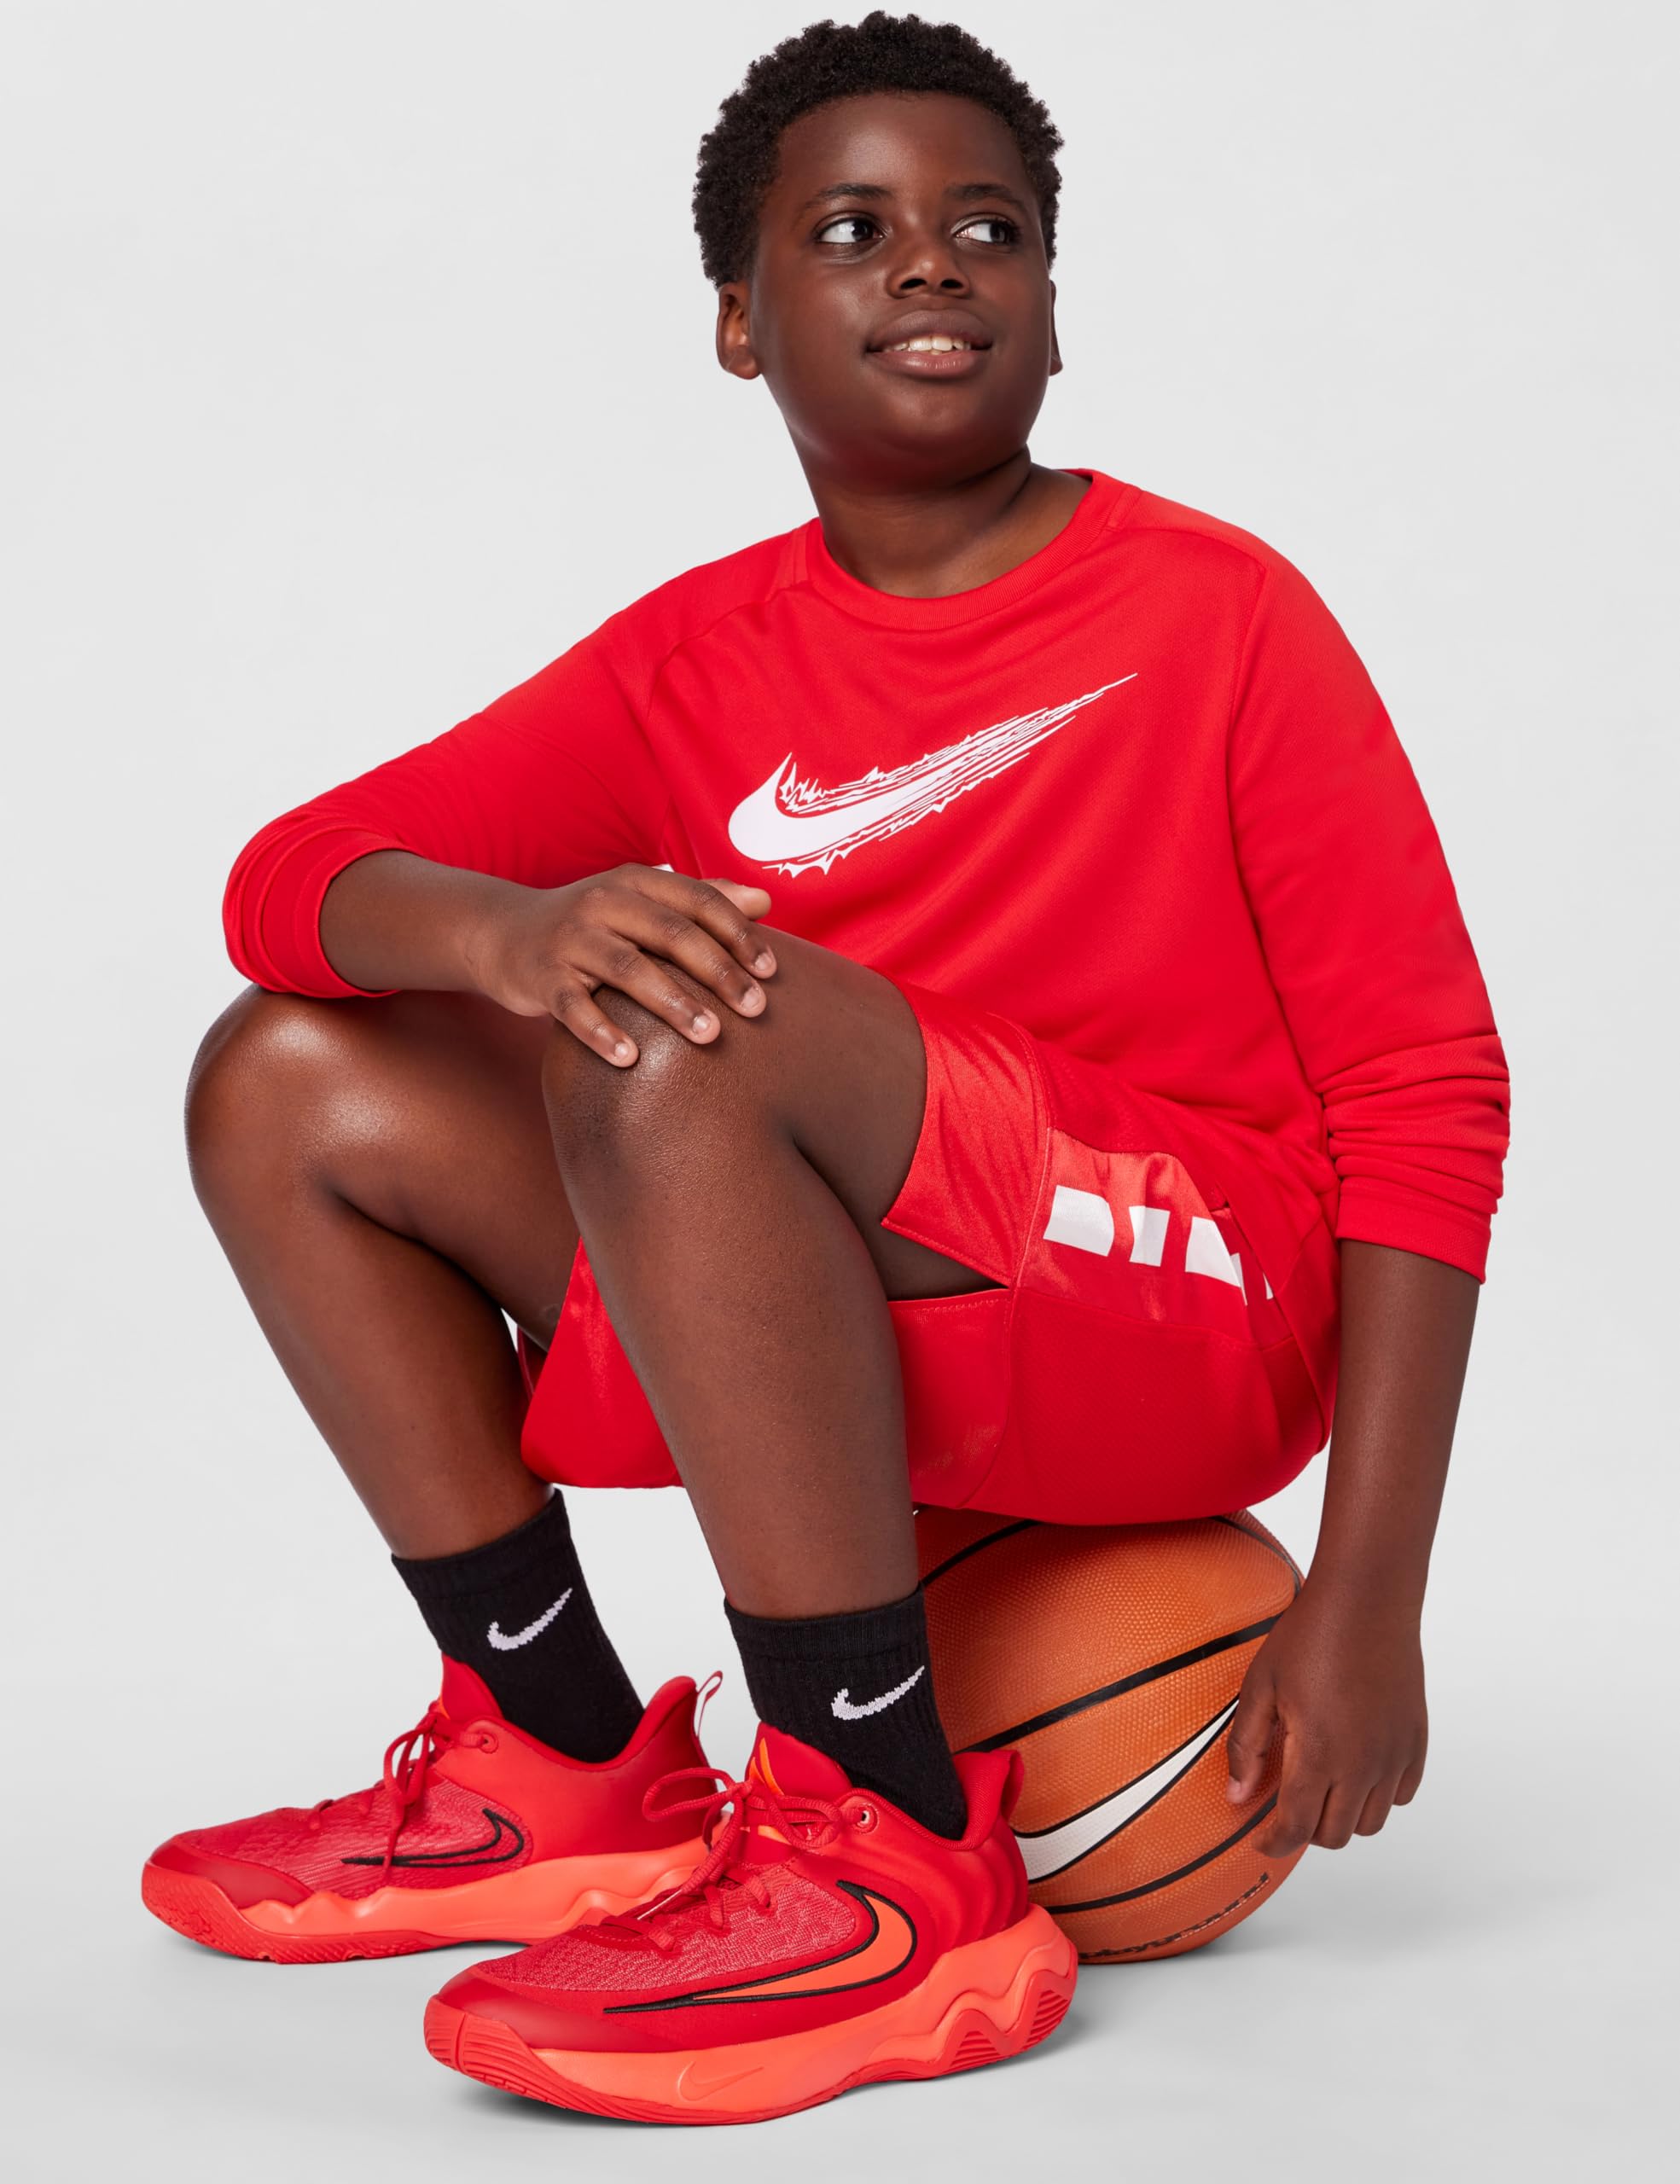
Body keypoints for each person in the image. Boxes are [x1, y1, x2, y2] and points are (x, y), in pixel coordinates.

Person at [142, 9, 1509, 2126]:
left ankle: (883, 1850)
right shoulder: (697, 657)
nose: (933, 260)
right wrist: (513, 933)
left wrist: (1370, 1586)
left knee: (702, 1013)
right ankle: (554, 1754)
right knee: (287, 1073)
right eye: (853, 227)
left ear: (1052, 302)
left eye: (990, 226)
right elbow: (288, 877)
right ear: (736, 320)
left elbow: (1425, 1093)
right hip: (864, 1282)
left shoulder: (1221, 614)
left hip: (1191, 1299)